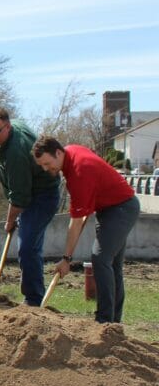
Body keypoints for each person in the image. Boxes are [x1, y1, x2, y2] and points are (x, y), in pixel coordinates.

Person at [32, 136, 139, 323]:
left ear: (58, 152)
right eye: (42, 165)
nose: (46, 169)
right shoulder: (71, 149)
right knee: (112, 265)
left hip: (121, 209)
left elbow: (76, 222)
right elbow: (81, 216)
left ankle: (105, 321)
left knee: (100, 258)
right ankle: (113, 322)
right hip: (109, 210)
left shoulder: (79, 172)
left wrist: (66, 259)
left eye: (47, 163)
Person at [0, 107, 59, 306]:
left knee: (27, 248)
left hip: (42, 197)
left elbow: (19, 198)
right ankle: (34, 294)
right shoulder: (14, 128)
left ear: (8, 126)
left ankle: (33, 300)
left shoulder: (15, 153)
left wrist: (10, 221)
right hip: (32, 192)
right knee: (31, 246)